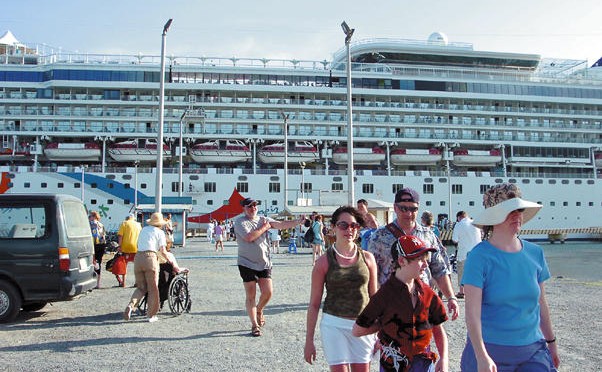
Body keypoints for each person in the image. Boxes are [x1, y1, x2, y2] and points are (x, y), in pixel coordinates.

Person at [461, 183, 560, 371]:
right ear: (493, 217)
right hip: (490, 351)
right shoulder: (478, 256)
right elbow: (472, 315)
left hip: (534, 351)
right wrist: (481, 356)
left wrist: (552, 343)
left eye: (519, 209)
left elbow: (541, 305)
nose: (517, 215)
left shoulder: (535, 253)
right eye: (509, 210)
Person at [353, 235, 449, 372]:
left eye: (426, 259)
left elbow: (438, 329)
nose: (426, 264)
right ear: (402, 261)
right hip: (393, 364)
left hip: (423, 364)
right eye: (420, 259)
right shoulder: (384, 295)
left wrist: (444, 358)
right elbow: (357, 330)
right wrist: (383, 325)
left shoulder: (428, 293)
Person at [304, 206, 379, 371]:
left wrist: (380, 332)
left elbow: (374, 298)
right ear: (333, 227)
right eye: (343, 225)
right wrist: (309, 340)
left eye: (354, 225)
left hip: (363, 325)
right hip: (334, 325)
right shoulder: (323, 262)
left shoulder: (368, 259)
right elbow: (314, 304)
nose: (349, 230)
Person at [367, 187, 459, 321]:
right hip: (390, 305)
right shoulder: (379, 237)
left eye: (413, 209)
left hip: (422, 304)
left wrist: (451, 297)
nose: (408, 213)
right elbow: (372, 274)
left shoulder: (428, 235)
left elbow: (439, 269)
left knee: (423, 340)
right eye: (403, 208)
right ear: (395, 207)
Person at [234, 197, 305, 337]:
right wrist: (265, 227)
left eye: (255, 205)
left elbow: (280, 224)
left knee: (268, 292)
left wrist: (297, 221)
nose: (253, 208)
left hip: (264, 263)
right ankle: (254, 325)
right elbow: (249, 237)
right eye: (249, 206)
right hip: (246, 263)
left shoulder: (263, 218)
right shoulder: (240, 222)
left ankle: (259, 309)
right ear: (244, 208)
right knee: (251, 295)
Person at [123, 212, 173, 323]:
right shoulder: (159, 232)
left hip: (138, 257)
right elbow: (163, 251)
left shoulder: (144, 230)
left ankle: (131, 306)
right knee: (153, 288)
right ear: (160, 224)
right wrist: (170, 262)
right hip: (150, 258)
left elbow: (138, 245)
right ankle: (151, 315)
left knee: (141, 287)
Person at [451, 211, 481, 299]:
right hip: (477, 252)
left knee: (462, 272)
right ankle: (476, 292)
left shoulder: (459, 225)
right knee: (476, 273)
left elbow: (455, 240)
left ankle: (461, 292)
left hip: (464, 253)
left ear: (459, 217)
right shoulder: (475, 223)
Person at [116, 213, 142, 287]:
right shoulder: (138, 225)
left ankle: (123, 282)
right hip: (136, 247)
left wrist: (119, 246)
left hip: (125, 247)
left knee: (124, 266)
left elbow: (120, 236)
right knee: (136, 266)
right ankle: (137, 282)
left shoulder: (124, 223)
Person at [89, 211, 107, 289]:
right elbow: (104, 236)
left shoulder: (91, 224)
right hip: (101, 245)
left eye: (90, 216)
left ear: (93, 216)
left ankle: (91, 282)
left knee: (92, 261)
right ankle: (98, 283)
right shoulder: (101, 224)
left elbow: (92, 235)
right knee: (98, 262)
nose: (89, 218)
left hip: (93, 245)